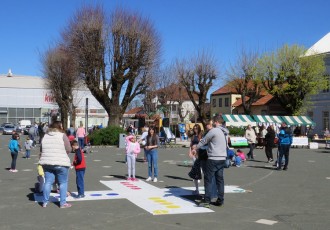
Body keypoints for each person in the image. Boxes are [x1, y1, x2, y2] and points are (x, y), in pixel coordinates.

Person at [194, 118, 227, 208]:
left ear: (216, 122)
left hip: (213, 158)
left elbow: (204, 140)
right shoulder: (224, 131)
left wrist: (196, 147)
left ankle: (207, 201)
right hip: (222, 158)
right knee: (220, 180)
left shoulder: (214, 130)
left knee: (208, 179)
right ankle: (220, 200)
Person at [39, 121, 72, 208]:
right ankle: (62, 203)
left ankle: (45, 202)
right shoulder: (62, 135)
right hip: (61, 162)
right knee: (63, 183)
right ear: (59, 127)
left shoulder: (45, 136)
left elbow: (41, 149)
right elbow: (69, 148)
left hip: (47, 162)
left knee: (48, 182)